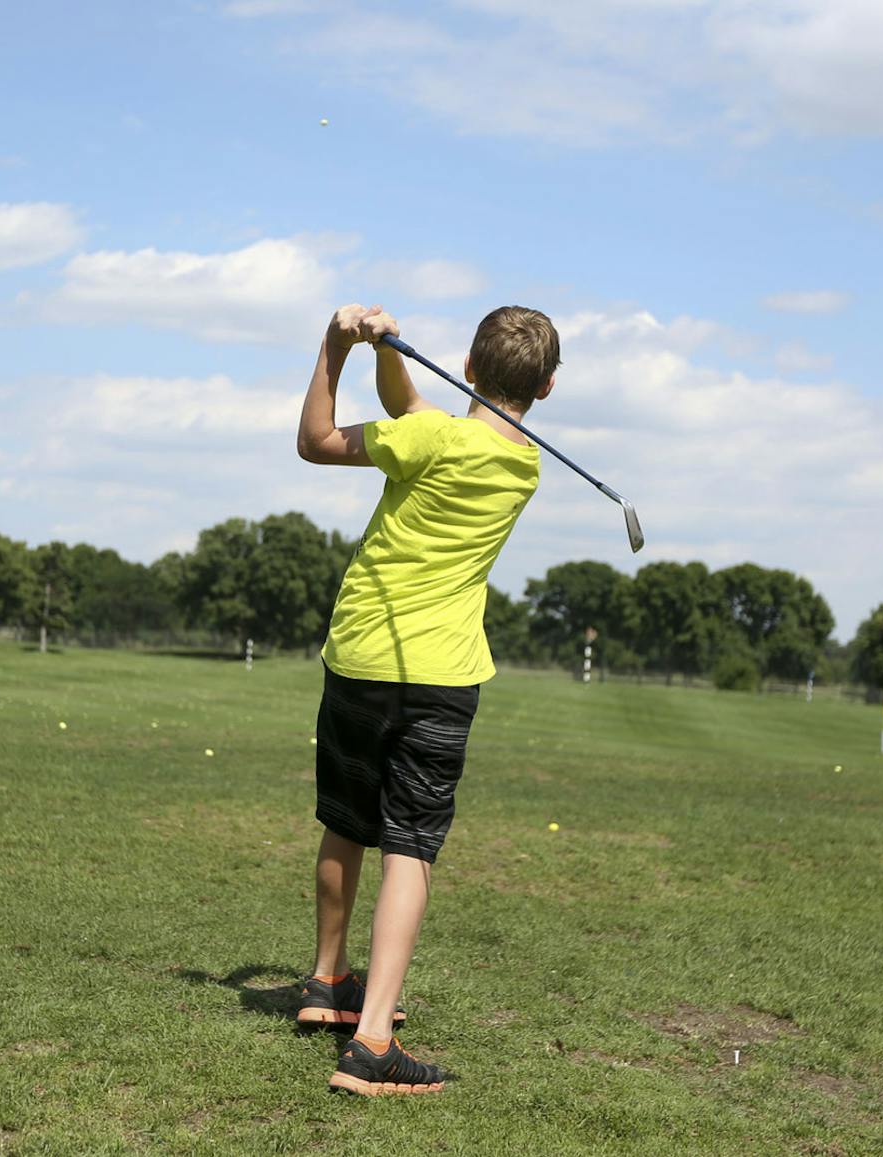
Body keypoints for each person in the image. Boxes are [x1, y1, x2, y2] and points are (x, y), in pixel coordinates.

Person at [291, 301, 558, 1095]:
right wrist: (390, 355)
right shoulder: (526, 464)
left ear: (469, 366)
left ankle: (324, 979)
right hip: (445, 675)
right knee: (410, 843)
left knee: (346, 823)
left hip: (363, 653)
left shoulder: (427, 438)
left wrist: (336, 347)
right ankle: (368, 1029)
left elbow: (316, 441)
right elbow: (417, 412)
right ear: (545, 388)